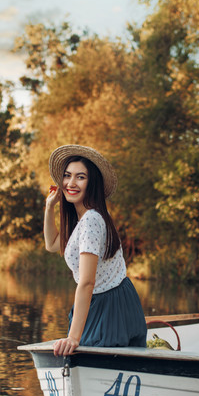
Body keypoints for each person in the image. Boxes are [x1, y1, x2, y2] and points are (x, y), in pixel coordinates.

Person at [43, 145, 147, 356]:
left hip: (109, 305)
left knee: (82, 352)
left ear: (92, 183)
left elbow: (87, 282)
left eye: (80, 177)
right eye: (67, 176)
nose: (71, 183)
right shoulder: (84, 218)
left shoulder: (91, 220)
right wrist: (49, 207)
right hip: (108, 300)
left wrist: (73, 336)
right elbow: (52, 244)